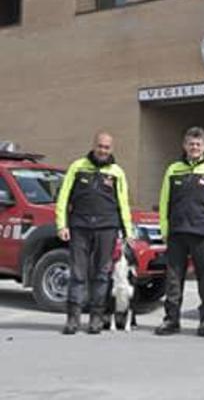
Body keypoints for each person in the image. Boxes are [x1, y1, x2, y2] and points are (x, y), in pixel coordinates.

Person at [155, 127, 204, 336]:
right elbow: (164, 201)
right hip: (177, 232)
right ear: (184, 146)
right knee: (173, 278)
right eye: (191, 143)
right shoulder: (173, 169)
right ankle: (171, 320)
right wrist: (165, 230)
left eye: (198, 144)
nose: (194, 147)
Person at [56, 131, 134, 334]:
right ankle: (73, 319)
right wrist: (61, 225)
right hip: (79, 227)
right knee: (78, 274)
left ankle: (96, 319)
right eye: (100, 146)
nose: (103, 150)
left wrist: (128, 231)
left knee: (101, 275)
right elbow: (63, 197)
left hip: (107, 228)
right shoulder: (77, 166)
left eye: (107, 147)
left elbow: (123, 203)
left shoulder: (117, 172)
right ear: (94, 145)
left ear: (111, 149)